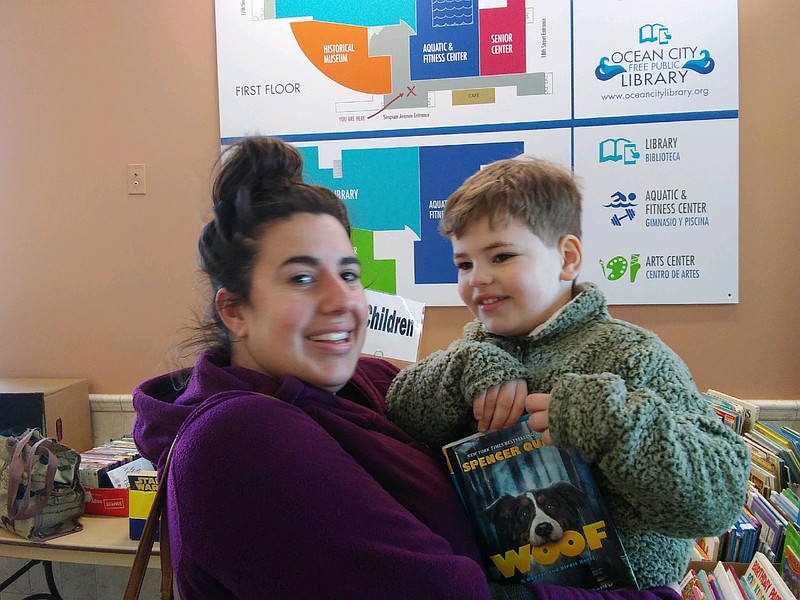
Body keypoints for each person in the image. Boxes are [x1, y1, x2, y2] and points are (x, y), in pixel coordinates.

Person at [132, 137, 682, 599]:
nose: (340, 301)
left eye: (348, 274)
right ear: (235, 311)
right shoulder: (241, 440)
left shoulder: (366, 384)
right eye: (301, 279)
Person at [386, 156, 750, 591]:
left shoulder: (632, 354)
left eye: (501, 256)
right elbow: (398, 413)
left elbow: (717, 501)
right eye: (464, 264)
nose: (477, 278)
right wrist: (464, 366)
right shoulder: (470, 355)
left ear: (567, 258)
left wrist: (611, 422)